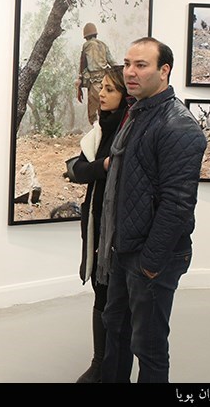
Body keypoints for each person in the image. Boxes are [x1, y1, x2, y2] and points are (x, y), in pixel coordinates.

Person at [98, 37, 207, 383]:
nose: (130, 72)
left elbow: (177, 204)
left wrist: (149, 265)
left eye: (140, 65)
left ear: (164, 71)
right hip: (124, 249)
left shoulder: (178, 126)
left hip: (151, 258)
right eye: (127, 63)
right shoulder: (137, 113)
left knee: (149, 347)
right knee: (115, 330)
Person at [70, 66, 130, 383]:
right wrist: (103, 165)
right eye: (101, 88)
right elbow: (78, 170)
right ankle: (99, 363)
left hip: (119, 232)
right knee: (100, 291)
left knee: (116, 301)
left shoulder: (130, 132)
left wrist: (95, 168)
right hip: (97, 228)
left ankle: (110, 366)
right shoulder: (99, 131)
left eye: (109, 89)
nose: (102, 94)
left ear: (125, 95)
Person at [75, 23, 117, 125]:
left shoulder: (87, 45)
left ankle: (96, 133)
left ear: (86, 36)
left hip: (93, 83)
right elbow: (113, 63)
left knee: (92, 113)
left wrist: (80, 83)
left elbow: (83, 64)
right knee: (104, 110)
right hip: (105, 82)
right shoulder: (103, 45)